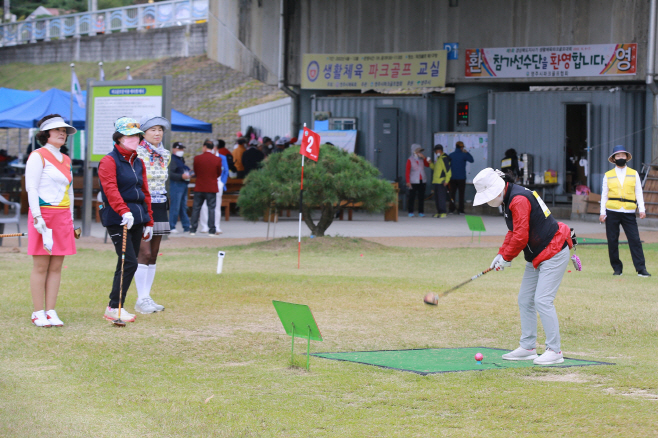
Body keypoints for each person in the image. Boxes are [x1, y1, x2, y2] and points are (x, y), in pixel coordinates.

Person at [473, 168, 574, 365]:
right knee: (525, 299)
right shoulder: (509, 198)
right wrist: (501, 253)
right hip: (537, 255)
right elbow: (513, 232)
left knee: (543, 300)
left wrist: (507, 258)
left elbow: (521, 236)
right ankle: (528, 347)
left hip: (554, 251)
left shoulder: (518, 199)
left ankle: (555, 351)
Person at [98, 117, 154, 323]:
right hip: (118, 218)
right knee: (128, 262)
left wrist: (149, 220)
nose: (134, 139)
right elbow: (110, 189)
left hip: (138, 218)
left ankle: (117, 305)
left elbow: (144, 191)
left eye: (137, 136)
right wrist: (123, 211)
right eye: (129, 136)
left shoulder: (138, 162)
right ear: (119, 138)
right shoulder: (108, 161)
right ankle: (114, 306)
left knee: (128, 264)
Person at [25, 114, 77, 327]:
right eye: (57, 130)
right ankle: (38, 312)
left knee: (56, 266)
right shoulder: (38, 155)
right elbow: (32, 188)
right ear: (46, 134)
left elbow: (70, 191)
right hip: (43, 216)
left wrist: (72, 219)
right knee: (41, 266)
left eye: (64, 130)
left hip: (63, 216)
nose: (62, 133)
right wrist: (37, 216)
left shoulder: (66, 159)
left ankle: (51, 310)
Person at [133, 115, 171, 314]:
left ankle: (146, 297)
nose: (157, 133)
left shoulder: (166, 154)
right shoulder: (137, 152)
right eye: (153, 130)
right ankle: (141, 298)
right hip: (142, 204)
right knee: (144, 252)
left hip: (160, 204)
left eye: (160, 130)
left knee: (154, 255)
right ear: (144, 133)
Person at [600, 145, 651, 277]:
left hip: (629, 211)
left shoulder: (634, 174)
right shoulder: (608, 175)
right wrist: (602, 212)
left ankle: (641, 269)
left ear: (627, 157)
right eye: (618, 155)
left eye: (623, 155)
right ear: (614, 158)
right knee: (612, 240)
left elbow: (639, 192)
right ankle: (617, 268)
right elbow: (604, 194)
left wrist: (642, 209)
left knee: (634, 239)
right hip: (612, 211)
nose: (620, 157)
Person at [190, 141, 223, 236]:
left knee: (196, 208)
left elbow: (196, 171)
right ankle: (212, 230)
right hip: (211, 187)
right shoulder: (217, 159)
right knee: (211, 208)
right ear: (213, 148)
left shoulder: (197, 158)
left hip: (199, 186)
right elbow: (218, 173)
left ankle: (193, 229)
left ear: (204, 147)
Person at [199, 139, 230, 234]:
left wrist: (222, 183)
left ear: (215, 148)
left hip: (217, 184)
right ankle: (205, 226)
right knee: (204, 206)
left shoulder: (222, 158)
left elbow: (226, 171)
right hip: (205, 184)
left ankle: (216, 226)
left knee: (216, 206)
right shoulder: (204, 157)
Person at [168, 141, 191, 233]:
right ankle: (171, 226)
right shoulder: (172, 159)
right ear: (174, 149)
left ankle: (186, 226)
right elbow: (170, 173)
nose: (181, 150)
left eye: (182, 149)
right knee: (175, 206)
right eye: (179, 149)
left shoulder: (180, 159)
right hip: (176, 184)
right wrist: (181, 176)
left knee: (182, 206)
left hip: (182, 184)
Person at [448, 141, 474, 214]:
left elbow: (447, 165)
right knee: (461, 194)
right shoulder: (464, 155)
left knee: (452, 194)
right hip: (461, 178)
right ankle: (460, 210)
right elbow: (472, 160)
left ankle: (451, 209)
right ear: (462, 147)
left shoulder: (451, 155)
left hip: (452, 177)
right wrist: (467, 152)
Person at [405, 144, 430, 217]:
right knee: (412, 197)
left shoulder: (422, 158)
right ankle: (410, 212)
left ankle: (421, 212)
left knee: (421, 197)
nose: (419, 152)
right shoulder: (410, 159)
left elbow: (428, 165)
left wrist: (424, 157)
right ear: (414, 151)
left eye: (419, 151)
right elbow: (407, 171)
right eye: (417, 151)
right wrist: (408, 181)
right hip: (413, 181)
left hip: (422, 180)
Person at [429, 144, 451, 218]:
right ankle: (439, 212)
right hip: (436, 181)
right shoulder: (439, 158)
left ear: (439, 150)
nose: (435, 153)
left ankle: (443, 212)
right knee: (437, 198)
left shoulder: (444, 158)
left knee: (441, 198)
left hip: (441, 182)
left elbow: (448, 171)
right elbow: (435, 169)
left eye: (435, 151)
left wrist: (446, 181)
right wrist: (430, 163)